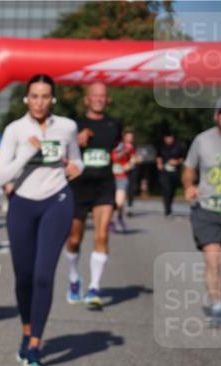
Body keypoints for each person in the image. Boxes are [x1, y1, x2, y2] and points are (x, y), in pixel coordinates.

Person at [0, 73, 82, 366]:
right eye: (34, 96)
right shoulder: (15, 130)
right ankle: (27, 328)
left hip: (56, 199)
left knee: (44, 275)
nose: (39, 102)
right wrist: (28, 153)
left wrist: (74, 167)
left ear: (52, 99)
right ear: (26, 99)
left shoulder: (67, 127)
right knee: (24, 276)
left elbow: (77, 161)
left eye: (45, 96)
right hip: (22, 204)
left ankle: (34, 346)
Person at [63, 82, 122, 310]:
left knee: (102, 235)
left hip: (104, 186)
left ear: (107, 100)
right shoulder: (74, 124)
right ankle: (74, 278)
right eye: (94, 95)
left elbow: (116, 148)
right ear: (86, 99)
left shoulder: (113, 124)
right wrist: (76, 140)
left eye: (102, 96)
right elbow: (63, 151)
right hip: (78, 187)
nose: (98, 99)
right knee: (74, 239)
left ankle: (95, 287)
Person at [182, 98, 221, 324]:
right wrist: (189, 186)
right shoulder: (202, 140)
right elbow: (189, 168)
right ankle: (217, 305)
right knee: (213, 259)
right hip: (207, 210)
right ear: (216, 115)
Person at [111, 128, 136, 232]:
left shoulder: (131, 148)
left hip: (122, 177)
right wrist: (124, 150)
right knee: (110, 202)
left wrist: (129, 165)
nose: (130, 139)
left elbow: (134, 160)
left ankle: (119, 217)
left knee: (120, 202)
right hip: (110, 178)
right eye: (128, 136)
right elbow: (115, 158)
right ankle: (111, 221)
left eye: (131, 137)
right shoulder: (112, 144)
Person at [157, 129, 186, 216]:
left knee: (172, 190)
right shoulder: (161, 147)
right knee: (167, 189)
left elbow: (183, 159)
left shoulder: (178, 146)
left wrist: (177, 162)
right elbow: (158, 157)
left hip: (175, 171)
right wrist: (160, 164)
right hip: (164, 172)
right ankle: (167, 209)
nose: (169, 139)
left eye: (170, 137)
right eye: (167, 137)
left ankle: (169, 204)